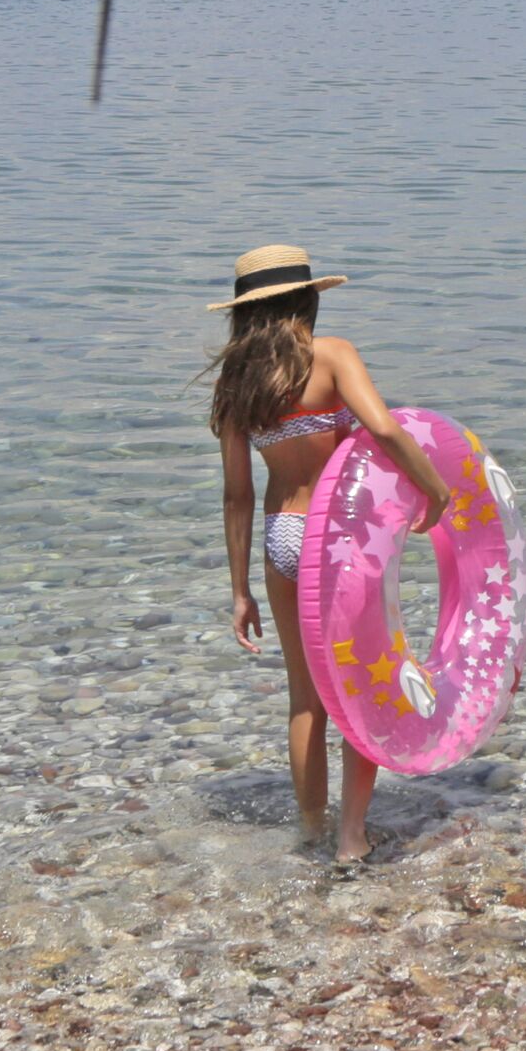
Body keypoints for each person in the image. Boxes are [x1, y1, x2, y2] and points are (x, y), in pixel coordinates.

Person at [207, 243, 459, 864]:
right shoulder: (332, 355)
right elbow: (385, 429)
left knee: (305, 698)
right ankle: (351, 838)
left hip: (281, 538)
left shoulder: (236, 384)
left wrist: (239, 590)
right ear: (307, 299)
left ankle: (310, 831)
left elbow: (237, 496)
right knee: (360, 690)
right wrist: (437, 491)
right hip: (336, 540)